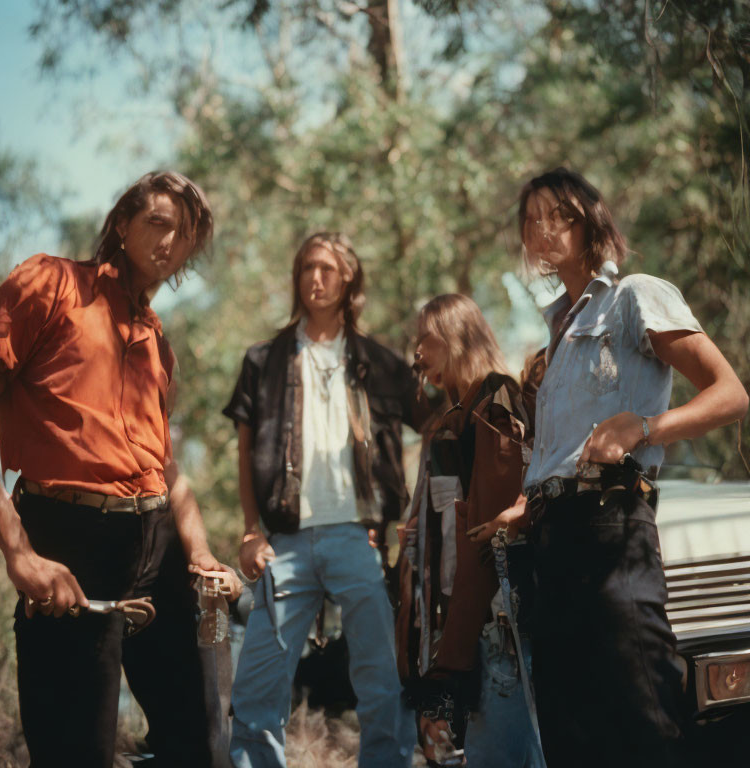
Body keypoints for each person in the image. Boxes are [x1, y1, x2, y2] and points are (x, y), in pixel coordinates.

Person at [0, 170, 241, 768]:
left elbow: (167, 465)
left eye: (185, 234)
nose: (170, 242)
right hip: (66, 535)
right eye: (157, 223)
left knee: (199, 743)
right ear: (122, 225)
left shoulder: (156, 341)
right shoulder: (50, 284)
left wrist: (199, 551)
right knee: (77, 749)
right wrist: (18, 552)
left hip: (157, 543)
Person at [517, 166, 749, 768]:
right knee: (570, 734)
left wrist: (643, 427)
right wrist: (525, 501)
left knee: (647, 718)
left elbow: (730, 394)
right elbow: (561, 449)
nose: (543, 229)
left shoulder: (634, 296)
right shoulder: (555, 330)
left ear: (589, 218)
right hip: (550, 541)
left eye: (557, 215)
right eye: (531, 220)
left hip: (611, 527)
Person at [223, 231, 427, 768]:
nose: (316, 278)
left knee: (383, 683)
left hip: (358, 538)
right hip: (285, 543)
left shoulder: (378, 363)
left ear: (348, 280)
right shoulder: (263, 361)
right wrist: (250, 530)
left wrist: (416, 514)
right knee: (257, 691)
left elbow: (436, 426)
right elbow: (245, 452)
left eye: (328, 269)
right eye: (307, 268)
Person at [395, 294, 544, 768]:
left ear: (455, 335)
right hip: (474, 632)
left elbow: (492, 543)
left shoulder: (495, 404)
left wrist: (448, 670)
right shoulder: (452, 419)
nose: (417, 354)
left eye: (425, 339)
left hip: (499, 630)